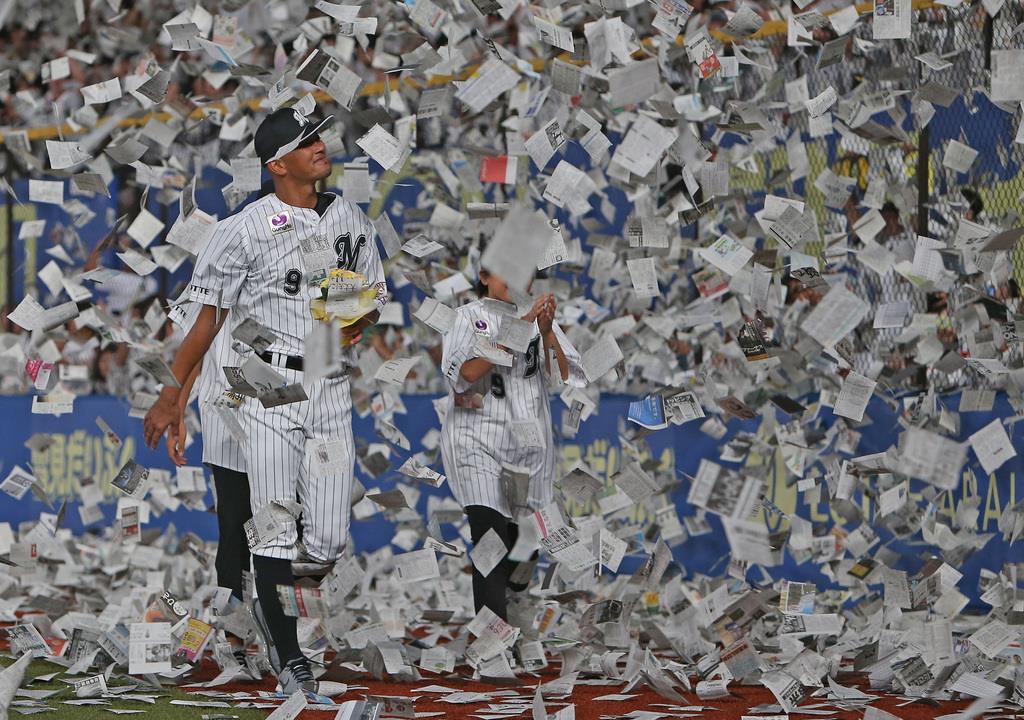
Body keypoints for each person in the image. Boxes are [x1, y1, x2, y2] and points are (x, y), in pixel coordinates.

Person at [142, 107, 388, 698]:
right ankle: (290, 658)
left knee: (328, 539)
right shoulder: (243, 229)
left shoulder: (348, 215)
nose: (321, 146)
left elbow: (370, 305)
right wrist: (171, 394)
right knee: (272, 528)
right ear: (277, 164)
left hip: (328, 381)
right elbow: (204, 326)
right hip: (266, 390)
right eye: (307, 142)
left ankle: (263, 587)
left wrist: (357, 317)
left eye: (319, 136)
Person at [439, 266, 582, 627]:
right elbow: (464, 375)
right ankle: (491, 641)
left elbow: (568, 376)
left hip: (528, 450)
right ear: (485, 275)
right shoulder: (467, 317)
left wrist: (546, 332)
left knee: (525, 544)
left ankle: (515, 599)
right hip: (476, 440)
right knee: (490, 535)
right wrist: (519, 330)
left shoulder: (539, 320)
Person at [166, 300, 252, 669]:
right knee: (234, 527)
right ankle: (235, 637)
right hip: (225, 418)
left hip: (281, 416)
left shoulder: (284, 268)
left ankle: (280, 631)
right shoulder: (210, 277)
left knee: (279, 528)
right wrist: (177, 413)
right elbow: (193, 353)